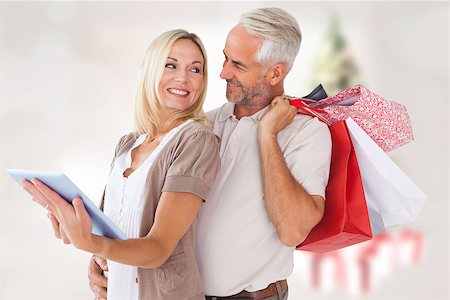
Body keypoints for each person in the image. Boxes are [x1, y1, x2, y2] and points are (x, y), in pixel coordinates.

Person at [21, 29, 221, 300]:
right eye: (170, 65)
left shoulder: (195, 140)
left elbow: (158, 249)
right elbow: (112, 232)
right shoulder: (128, 145)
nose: (183, 78)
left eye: (195, 69)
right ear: (150, 70)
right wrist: (78, 231)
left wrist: (91, 242)